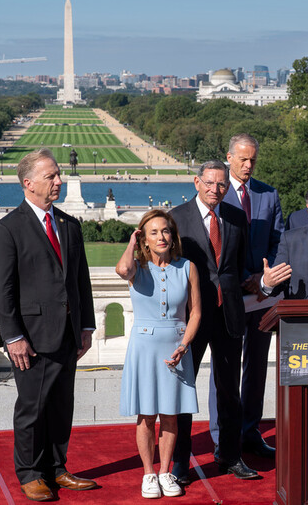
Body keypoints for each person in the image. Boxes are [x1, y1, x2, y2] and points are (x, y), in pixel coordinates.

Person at [0, 148, 97, 502]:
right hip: (31, 338)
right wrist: (14, 336)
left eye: (58, 175)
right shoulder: (8, 229)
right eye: (51, 176)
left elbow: (81, 280)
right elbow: (2, 290)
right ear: (28, 183)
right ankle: (31, 473)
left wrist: (87, 326)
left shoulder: (69, 224)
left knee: (62, 404)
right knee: (32, 407)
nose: (59, 181)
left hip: (67, 333)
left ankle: (56, 467)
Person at [169, 161, 259, 484]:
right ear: (197, 182)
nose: (215, 190)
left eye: (221, 185)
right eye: (209, 183)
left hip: (229, 315)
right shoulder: (177, 218)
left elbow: (235, 267)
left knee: (229, 390)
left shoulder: (235, 217)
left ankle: (230, 455)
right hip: (191, 316)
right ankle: (180, 462)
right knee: (183, 391)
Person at [206, 134, 284, 460]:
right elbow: (212, 246)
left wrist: (264, 280)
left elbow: (279, 241)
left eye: (253, 159)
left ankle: (250, 431)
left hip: (263, 295)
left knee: (257, 368)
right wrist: (243, 280)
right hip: (229, 296)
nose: (248, 165)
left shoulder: (269, 194)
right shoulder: (217, 195)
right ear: (228, 157)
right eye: (242, 159)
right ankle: (222, 436)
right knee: (224, 369)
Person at [116, 210, 201, 499]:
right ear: (144, 238)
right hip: (144, 350)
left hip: (177, 348)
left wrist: (185, 344)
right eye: (153, 232)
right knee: (146, 416)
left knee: (170, 416)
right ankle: (148, 474)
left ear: (172, 234)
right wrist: (131, 242)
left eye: (165, 231)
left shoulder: (188, 267)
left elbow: (196, 312)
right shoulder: (136, 268)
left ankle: (165, 472)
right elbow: (121, 270)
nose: (161, 237)